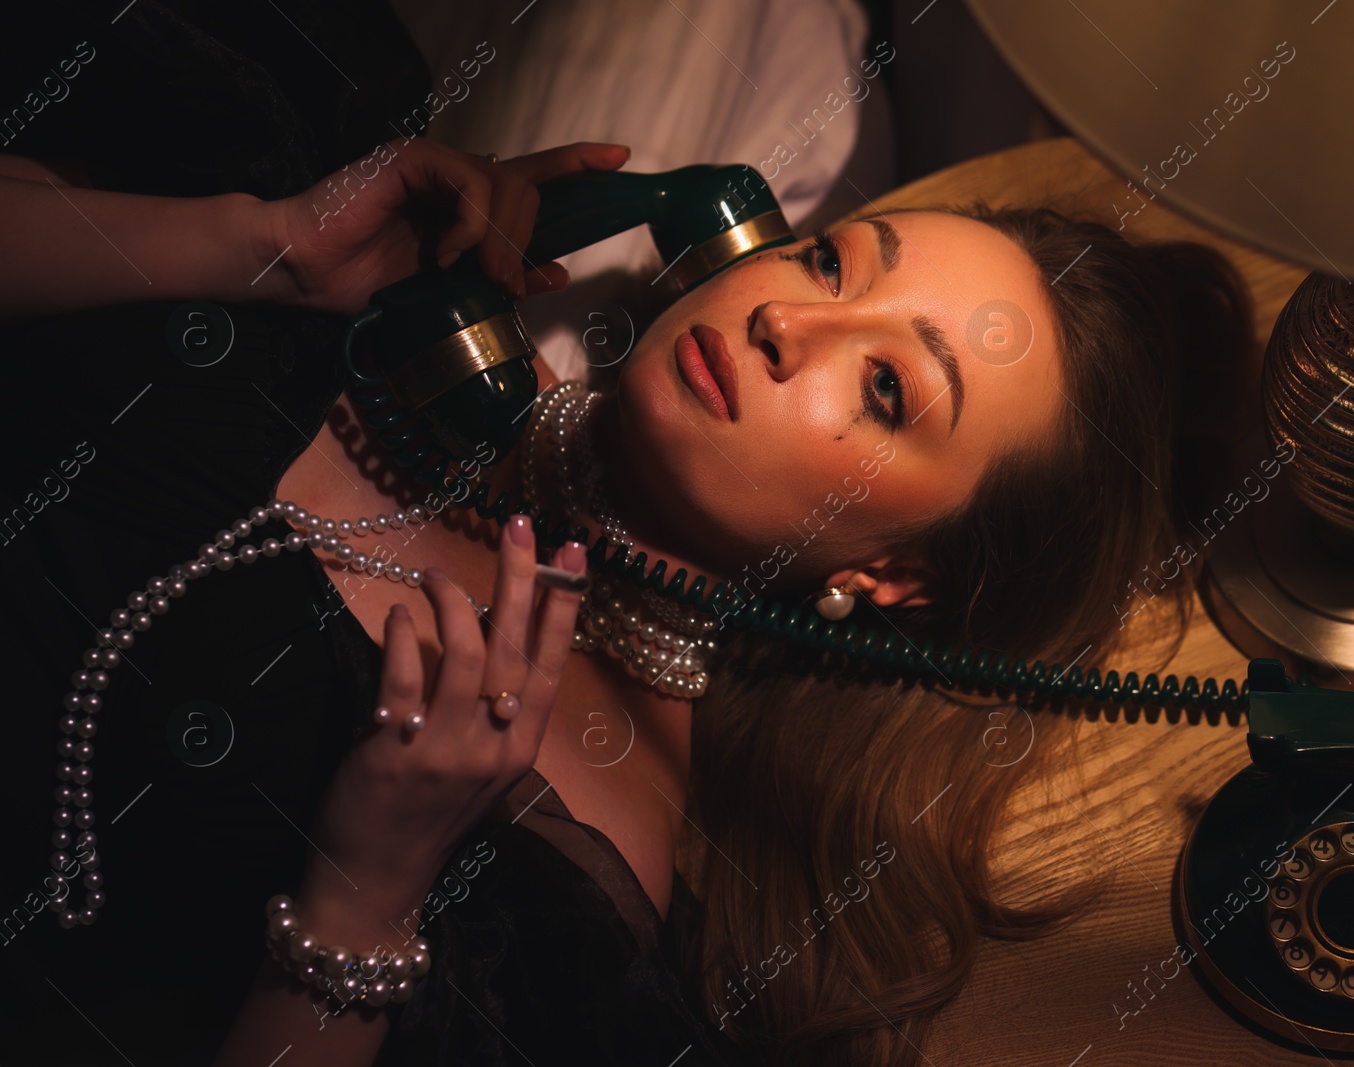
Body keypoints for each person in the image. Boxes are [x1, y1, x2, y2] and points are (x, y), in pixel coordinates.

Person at [0, 7, 1254, 1067]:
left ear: (890, 575)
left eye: (885, 389)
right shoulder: (330, 240)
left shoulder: (576, 895)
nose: (785, 325)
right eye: (827, 264)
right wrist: (258, 246)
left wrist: (364, 888)